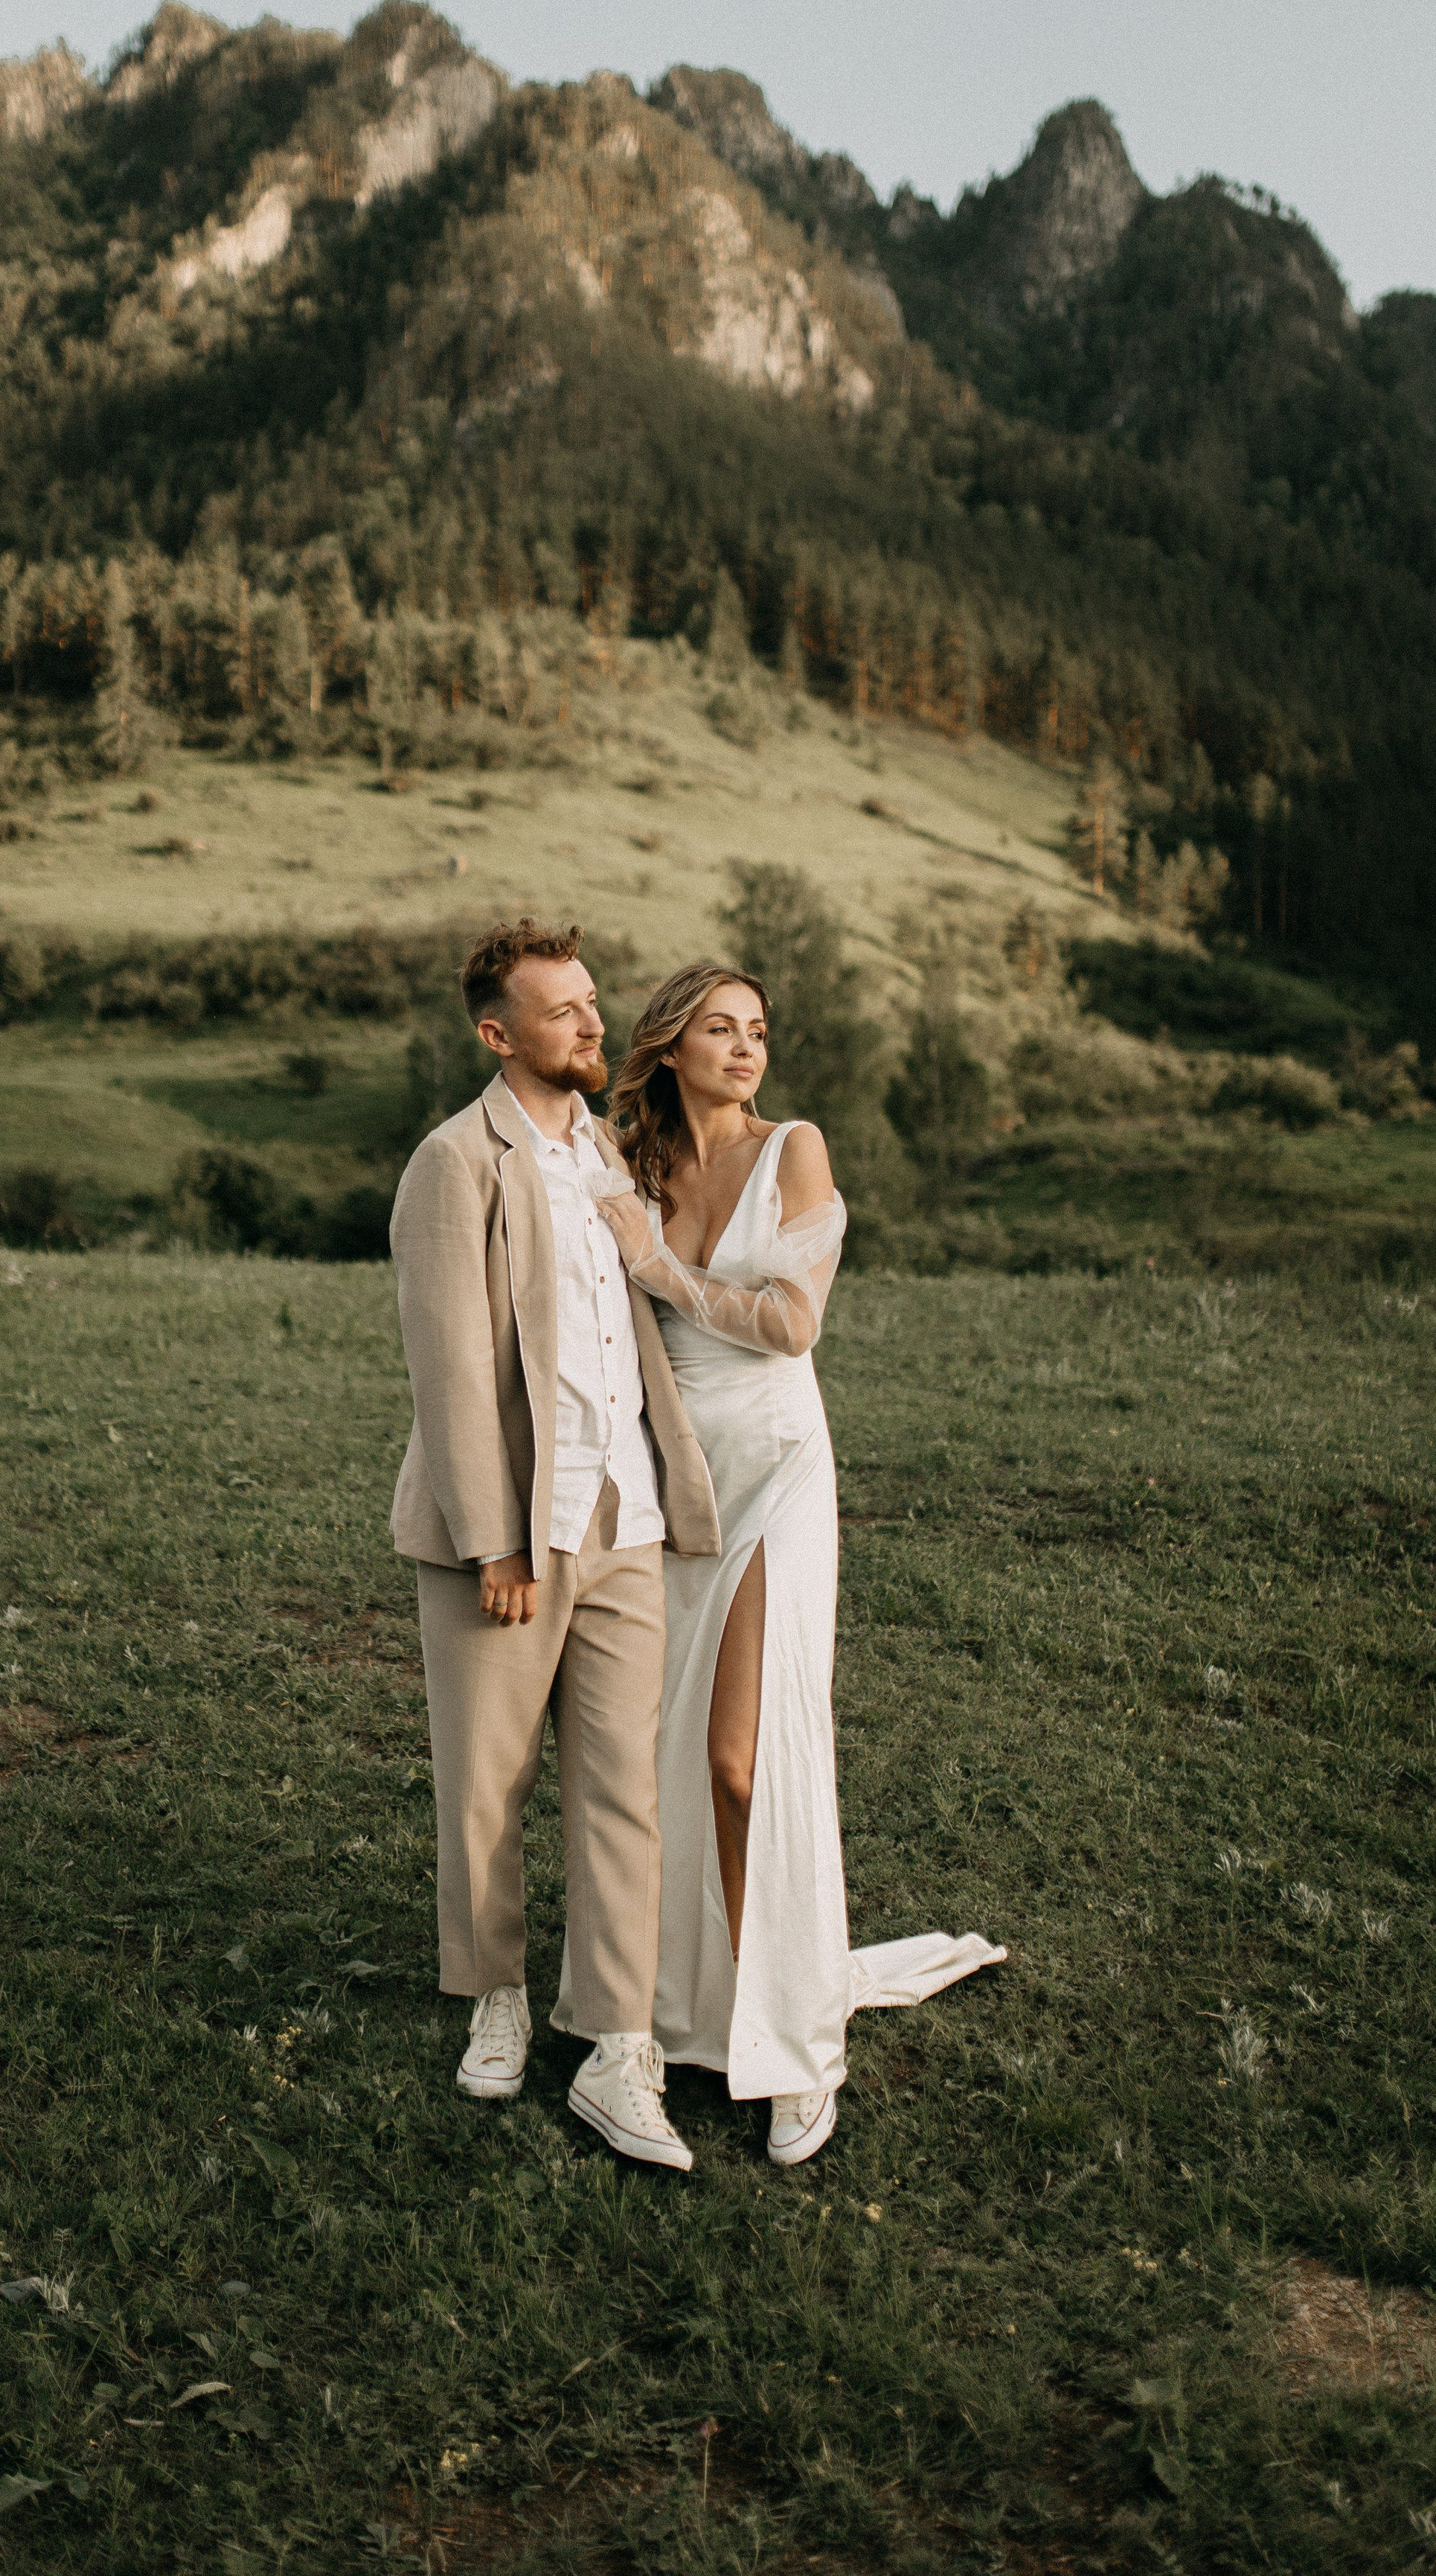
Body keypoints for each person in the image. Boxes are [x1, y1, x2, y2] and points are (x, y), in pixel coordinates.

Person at [581, 961, 1004, 2167]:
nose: (746, 1047)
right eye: (721, 1029)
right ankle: (689, 2013)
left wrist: (657, 1267)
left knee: (743, 1755)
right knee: (662, 1754)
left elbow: (789, 1323)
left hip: (774, 1466)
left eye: (759, 1030)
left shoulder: (795, 1149)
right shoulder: (636, 1163)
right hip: (675, 1480)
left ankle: (804, 2042)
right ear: (670, 1045)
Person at [388, 918, 722, 2170]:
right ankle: (499, 1993)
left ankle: (618, 2043)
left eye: (593, 1002)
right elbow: (451, 1370)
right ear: (498, 1034)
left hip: (626, 1515)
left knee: (623, 1789)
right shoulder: (452, 1163)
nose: (594, 1024)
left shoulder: (611, 1155)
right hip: (510, 1531)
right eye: (564, 1011)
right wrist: (492, 1543)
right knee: (488, 1782)